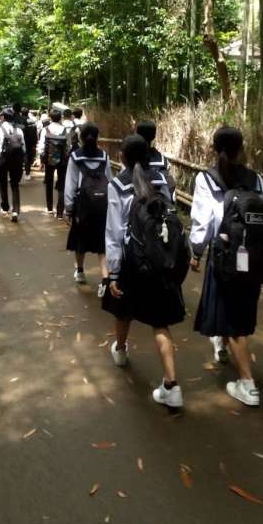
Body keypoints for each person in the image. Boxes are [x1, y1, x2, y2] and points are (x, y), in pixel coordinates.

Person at [102, 134, 187, 409]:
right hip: (160, 259)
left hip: (132, 261)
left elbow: (114, 231)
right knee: (159, 323)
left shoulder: (118, 184)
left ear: (123, 156)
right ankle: (172, 386)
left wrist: (113, 272)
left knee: (122, 309)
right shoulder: (163, 179)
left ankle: (120, 351)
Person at [189, 126, 263, 407]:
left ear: (214, 147)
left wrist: (196, 252)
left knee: (233, 319)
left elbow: (203, 220)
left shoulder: (207, 178)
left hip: (225, 257)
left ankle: (248, 385)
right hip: (253, 259)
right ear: (241, 149)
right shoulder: (254, 178)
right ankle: (221, 345)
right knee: (240, 309)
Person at [64, 122, 112, 295]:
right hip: (102, 207)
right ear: (97, 137)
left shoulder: (75, 157)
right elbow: (109, 181)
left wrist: (68, 209)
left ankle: (80, 271)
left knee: (80, 240)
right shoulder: (104, 156)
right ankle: (105, 278)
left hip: (82, 207)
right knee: (102, 243)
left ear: (81, 138)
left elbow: (70, 184)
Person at [0, 109, 25, 222]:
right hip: (16, 160)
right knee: (15, 184)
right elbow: (23, 148)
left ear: (3, 117)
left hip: (3, 159)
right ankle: (15, 210)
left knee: (3, 183)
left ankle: (5, 207)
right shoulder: (19, 130)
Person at [39, 108, 68, 218]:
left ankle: (50, 208)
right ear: (60, 118)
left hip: (49, 159)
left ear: (50, 118)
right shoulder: (64, 130)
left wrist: (42, 160)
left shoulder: (45, 129)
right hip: (62, 160)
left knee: (49, 183)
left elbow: (41, 147)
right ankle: (60, 212)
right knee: (61, 185)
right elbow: (68, 146)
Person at [22, 107, 38, 180]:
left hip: (19, 141)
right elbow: (35, 133)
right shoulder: (32, 121)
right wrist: (35, 143)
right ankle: (27, 173)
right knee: (27, 157)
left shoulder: (19, 120)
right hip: (29, 142)